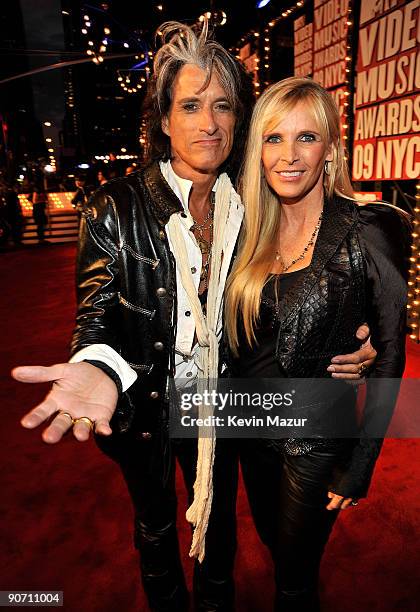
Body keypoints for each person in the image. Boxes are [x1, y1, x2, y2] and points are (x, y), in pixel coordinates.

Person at [12, 24, 376, 612]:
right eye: (189, 105)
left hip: (227, 398)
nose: (208, 123)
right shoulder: (116, 205)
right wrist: (98, 367)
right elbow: (99, 308)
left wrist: (353, 347)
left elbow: (290, 288)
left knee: (222, 538)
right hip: (147, 400)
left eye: (223, 105)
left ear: (239, 120)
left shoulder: (254, 198)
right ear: (162, 120)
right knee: (156, 530)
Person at [224, 77, 410, 611]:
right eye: (274, 138)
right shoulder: (242, 229)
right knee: (273, 549)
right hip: (249, 426)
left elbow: (390, 352)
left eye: (306, 137)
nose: (288, 155)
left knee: (294, 580)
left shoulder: (370, 227)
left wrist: (362, 464)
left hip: (317, 437)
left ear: (329, 148)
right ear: (257, 148)